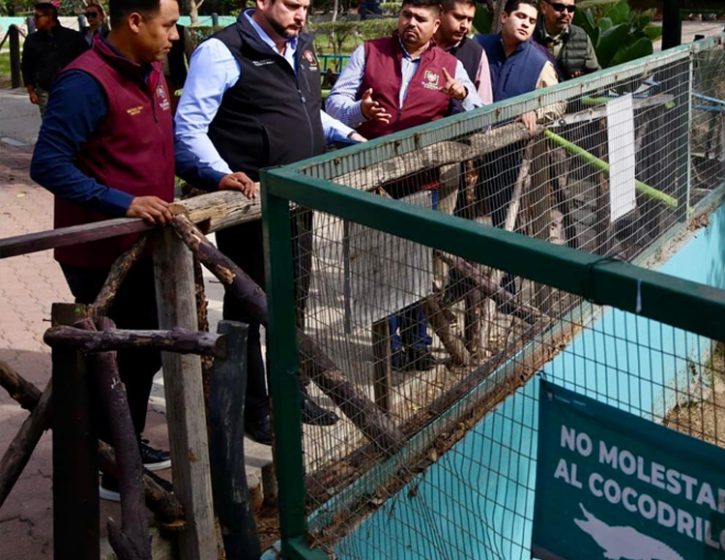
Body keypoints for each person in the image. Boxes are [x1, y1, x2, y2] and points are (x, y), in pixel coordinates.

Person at [175, 0, 365, 445]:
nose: (302, 14)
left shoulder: (300, 47)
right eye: (292, 5)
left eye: (307, 6)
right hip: (250, 207)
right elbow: (188, 129)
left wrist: (345, 133)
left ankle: (291, 391)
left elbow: (302, 109)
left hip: (297, 201)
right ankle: (251, 406)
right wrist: (221, 173)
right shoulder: (221, 52)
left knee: (293, 297)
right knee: (249, 304)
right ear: (261, 2)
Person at [29, 0, 192, 501]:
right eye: (168, 25)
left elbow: (164, 146)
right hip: (101, 253)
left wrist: (214, 173)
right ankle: (111, 468)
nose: (175, 36)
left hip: (145, 246)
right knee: (118, 357)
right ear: (135, 21)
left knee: (141, 357)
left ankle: (122, 444)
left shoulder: (153, 71)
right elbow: (47, 165)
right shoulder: (84, 82)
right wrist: (122, 202)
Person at [325, 0, 483, 372]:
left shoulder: (450, 66)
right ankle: (389, 344)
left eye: (420, 19)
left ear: (436, 24)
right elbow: (333, 105)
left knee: (417, 262)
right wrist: (359, 112)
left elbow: (482, 119)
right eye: (406, 15)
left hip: (420, 181)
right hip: (370, 178)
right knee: (377, 263)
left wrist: (460, 97)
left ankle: (419, 342)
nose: (410, 23)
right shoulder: (368, 52)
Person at [475, 0, 560, 226]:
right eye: (521, 17)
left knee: (507, 216)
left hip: (510, 153)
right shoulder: (478, 46)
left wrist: (537, 111)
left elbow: (558, 102)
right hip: (469, 146)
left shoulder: (540, 62)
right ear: (504, 17)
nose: (526, 24)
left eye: (532, 21)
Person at [21, 1, 88, 116]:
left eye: (37, 16)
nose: (34, 20)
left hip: (70, 90)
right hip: (44, 90)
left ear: (49, 17)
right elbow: (26, 65)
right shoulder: (32, 40)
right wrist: (31, 90)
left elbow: (86, 61)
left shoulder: (73, 37)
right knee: (49, 125)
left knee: (71, 122)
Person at [434, 0, 491, 104]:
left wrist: (465, 95)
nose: (465, 26)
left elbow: (484, 108)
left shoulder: (476, 54)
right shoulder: (419, 44)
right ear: (440, 12)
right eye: (459, 17)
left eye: (470, 20)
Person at [534, 0, 598, 80]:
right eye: (559, 7)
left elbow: (596, 76)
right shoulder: (529, 37)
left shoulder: (580, 37)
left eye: (571, 9)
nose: (565, 13)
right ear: (544, 7)